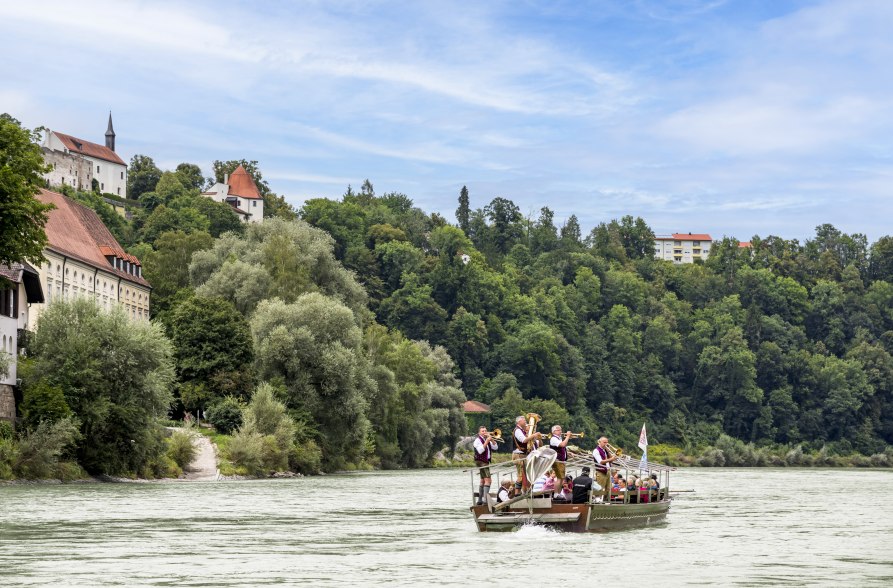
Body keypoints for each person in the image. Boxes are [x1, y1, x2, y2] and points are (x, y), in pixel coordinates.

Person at [512, 415, 543, 490]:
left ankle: (527, 492)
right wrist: (533, 435)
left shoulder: (521, 431)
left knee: (527, 475)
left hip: (525, 455)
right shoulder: (517, 430)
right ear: (519, 422)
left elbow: (539, 445)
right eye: (524, 420)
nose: (526, 421)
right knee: (521, 476)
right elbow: (524, 440)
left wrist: (537, 437)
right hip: (520, 455)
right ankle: (517, 493)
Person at [473, 426, 499, 506]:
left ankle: (480, 500)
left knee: (483, 480)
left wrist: (492, 440)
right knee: (488, 480)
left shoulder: (486, 439)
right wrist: (487, 441)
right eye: (482, 431)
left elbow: (496, 447)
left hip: (485, 461)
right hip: (481, 461)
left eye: (485, 430)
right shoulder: (477, 440)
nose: (485, 432)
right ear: (479, 433)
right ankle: (485, 500)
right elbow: (480, 451)